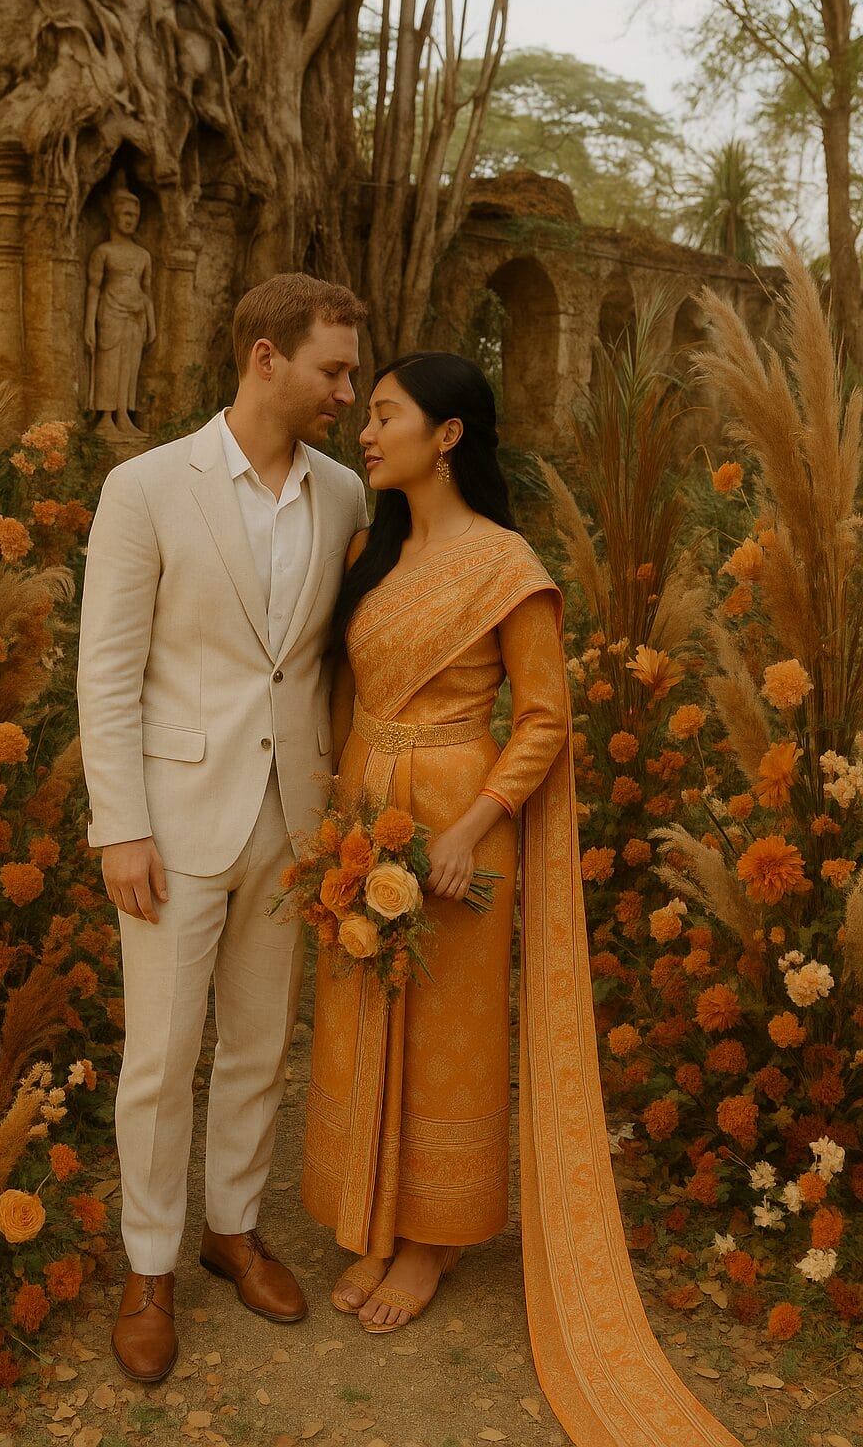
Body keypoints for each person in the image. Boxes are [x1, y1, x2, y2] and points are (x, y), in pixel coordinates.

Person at [302, 353, 741, 1446]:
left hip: (458, 825)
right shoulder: (372, 552)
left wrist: (469, 823)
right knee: (365, 1013)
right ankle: (377, 1206)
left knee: (446, 1021)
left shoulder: (507, 567)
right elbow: (344, 695)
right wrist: (340, 823)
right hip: (366, 811)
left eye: (387, 414)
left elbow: (544, 718)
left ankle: (432, 1239)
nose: (367, 430)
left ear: (447, 435)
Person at [77, 272, 369, 1385]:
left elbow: (324, 657)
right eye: (331, 369)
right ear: (265, 358)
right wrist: (120, 826)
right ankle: (147, 1263)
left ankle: (230, 1230)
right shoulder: (147, 487)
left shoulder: (343, 493)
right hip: (170, 820)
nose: (345, 389)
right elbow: (106, 668)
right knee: (159, 1057)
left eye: (349, 374)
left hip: (289, 819)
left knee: (258, 1044)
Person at [84, 184, 156, 443]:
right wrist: (88, 325)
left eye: (134, 216)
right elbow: (93, 289)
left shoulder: (143, 254)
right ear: (114, 216)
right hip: (110, 313)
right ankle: (105, 417)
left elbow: (146, 290)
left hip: (135, 315)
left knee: (130, 365)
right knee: (109, 363)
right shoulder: (103, 251)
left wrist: (152, 323)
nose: (130, 220)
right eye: (125, 214)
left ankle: (124, 415)